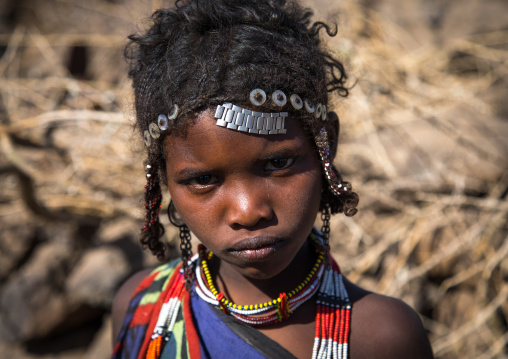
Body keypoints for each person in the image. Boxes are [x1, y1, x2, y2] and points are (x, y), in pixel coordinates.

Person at [111, 0, 434, 358]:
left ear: (325, 145)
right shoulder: (142, 309)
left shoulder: (382, 338)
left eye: (278, 162)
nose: (248, 212)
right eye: (203, 179)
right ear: (163, 178)